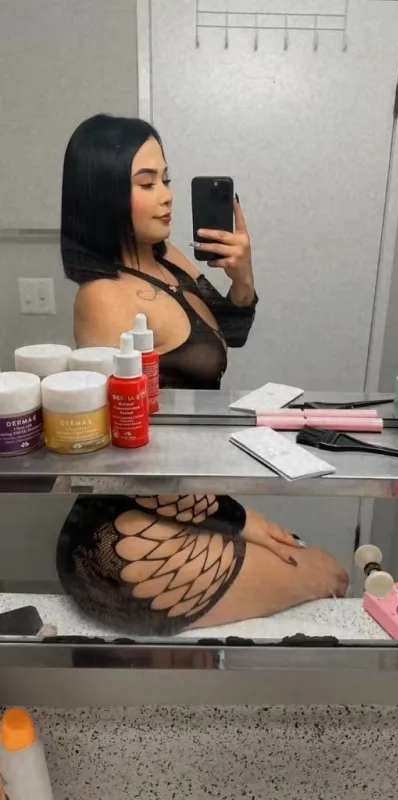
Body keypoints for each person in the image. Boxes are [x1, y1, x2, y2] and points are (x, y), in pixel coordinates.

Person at [57, 114, 348, 637]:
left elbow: (229, 333)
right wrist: (242, 520)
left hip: (190, 498)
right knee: (325, 575)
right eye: (147, 183)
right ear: (103, 193)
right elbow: (128, 459)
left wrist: (243, 277)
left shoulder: (166, 258)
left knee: (327, 571)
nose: (167, 195)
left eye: (167, 179)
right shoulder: (103, 299)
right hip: (129, 533)